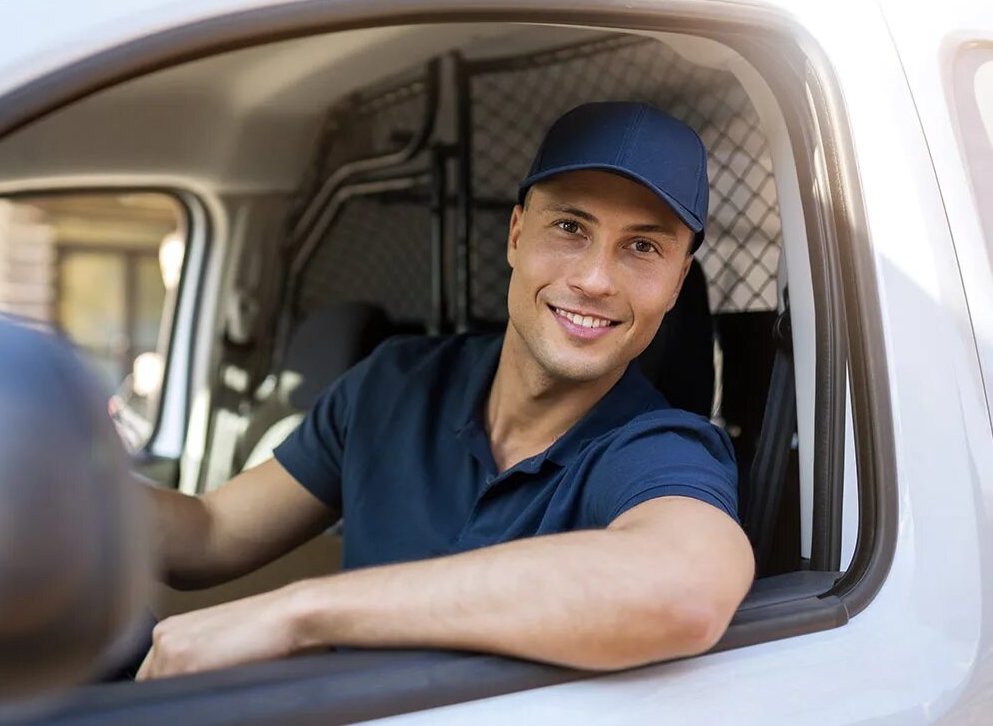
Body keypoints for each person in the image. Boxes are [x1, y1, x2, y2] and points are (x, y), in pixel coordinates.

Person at [136, 101, 755, 680]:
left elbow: (686, 587)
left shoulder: (659, 448)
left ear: (677, 283)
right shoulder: (393, 383)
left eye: (642, 247)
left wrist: (296, 614)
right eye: (570, 226)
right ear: (516, 234)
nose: (594, 278)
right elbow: (212, 531)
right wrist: (63, 489)